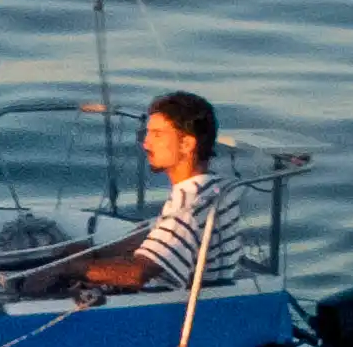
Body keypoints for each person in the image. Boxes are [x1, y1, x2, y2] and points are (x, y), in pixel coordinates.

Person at [15, 89, 255, 301]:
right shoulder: (217, 187)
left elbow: (137, 274)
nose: (146, 143)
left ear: (187, 144)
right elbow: (160, 233)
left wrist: (65, 268)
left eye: (158, 134)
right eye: (147, 133)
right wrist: (94, 253)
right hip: (217, 299)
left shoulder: (188, 202)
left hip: (172, 312)